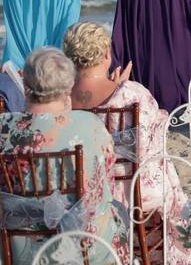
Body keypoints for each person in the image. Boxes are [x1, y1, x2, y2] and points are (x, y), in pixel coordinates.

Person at [63, 21, 191, 265]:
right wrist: (120, 87)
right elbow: (150, 142)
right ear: (106, 55)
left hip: (82, 193)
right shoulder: (132, 94)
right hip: (133, 194)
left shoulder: (62, 99)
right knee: (162, 160)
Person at [0, 48, 126, 263]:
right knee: (119, 211)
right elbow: (105, 187)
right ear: (69, 86)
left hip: (17, 248)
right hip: (84, 245)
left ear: (26, 85)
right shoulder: (91, 125)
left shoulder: (4, 128)